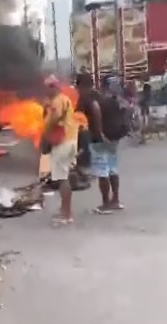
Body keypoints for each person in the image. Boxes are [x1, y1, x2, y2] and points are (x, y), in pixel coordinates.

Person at [87, 76, 130, 214]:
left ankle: (105, 203)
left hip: (101, 141)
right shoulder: (117, 101)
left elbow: (96, 123)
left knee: (102, 172)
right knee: (113, 169)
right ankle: (115, 200)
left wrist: (100, 136)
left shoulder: (99, 103)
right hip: (114, 140)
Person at [42, 75, 79, 226]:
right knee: (64, 176)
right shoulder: (64, 99)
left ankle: (67, 214)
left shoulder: (56, 102)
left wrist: (45, 135)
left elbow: (53, 121)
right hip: (70, 140)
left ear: (53, 87)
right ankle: (64, 209)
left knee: (62, 179)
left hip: (62, 142)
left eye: (47, 87)